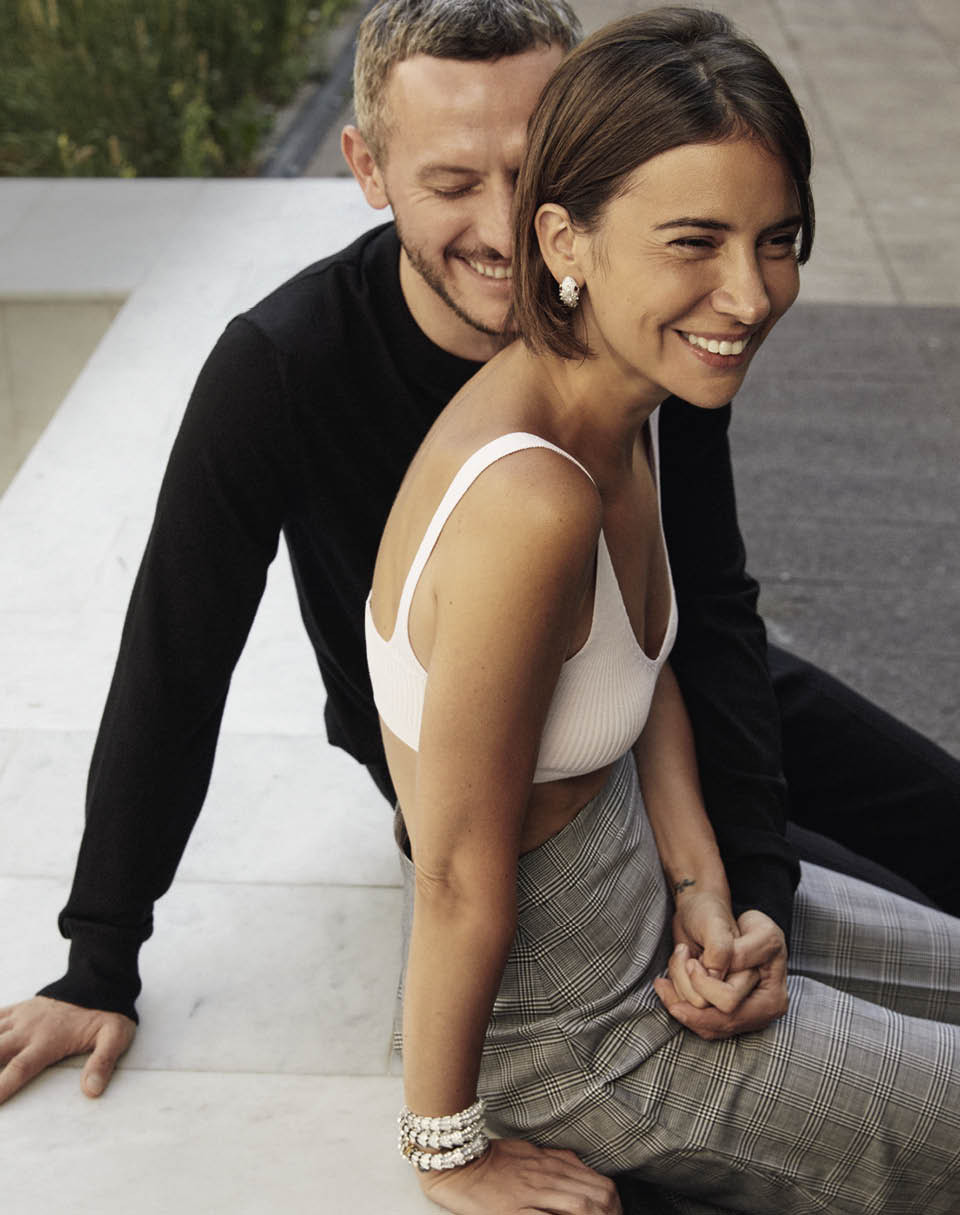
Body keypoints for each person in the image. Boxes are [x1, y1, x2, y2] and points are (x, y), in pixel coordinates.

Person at [0, 0, 956, 1112]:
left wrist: (747, 876)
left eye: (532, 165)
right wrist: (99, 956)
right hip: (500, 768)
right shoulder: (284, 364)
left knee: (923, 835)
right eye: (453, 182)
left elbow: (709, 599)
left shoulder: (645, 313)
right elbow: (177, 656)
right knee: (836, 938)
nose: (503, 226)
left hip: (640, 677)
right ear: (368, 168)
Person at [368, 11, 960, 1214]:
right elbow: (457, 870)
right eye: (695, 242)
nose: (749, 294)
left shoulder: (621, 405)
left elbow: (646, 678)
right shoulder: (530, 500)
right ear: (565, 239)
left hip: (651, 918)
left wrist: (705, 889)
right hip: (578, 1036)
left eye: (777, 240)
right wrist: (447, 1147)